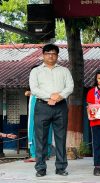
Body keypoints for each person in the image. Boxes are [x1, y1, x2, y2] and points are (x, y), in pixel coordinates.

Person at [29, 44, 74, 177]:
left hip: (60, 106)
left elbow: (70, 87)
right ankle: (40, 168)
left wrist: (58, 96)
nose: (51, 56)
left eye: (54, 53)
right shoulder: (36, 71)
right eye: (48, 53)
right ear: (43, 55)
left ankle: (60, 167)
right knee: (40, 138)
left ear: (57, 55)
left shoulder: (64, 71)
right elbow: (34, 88)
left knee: (61, 138)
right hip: (42, 106)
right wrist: (50, 97)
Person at [24, 88, 53, 163]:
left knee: (33, 127)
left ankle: (35, 155)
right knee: (47, 126)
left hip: (37, 99)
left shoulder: (36, 80)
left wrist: (31, 93)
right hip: (48, 99)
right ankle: (46, 154)